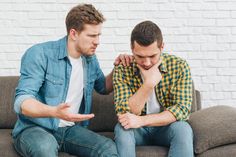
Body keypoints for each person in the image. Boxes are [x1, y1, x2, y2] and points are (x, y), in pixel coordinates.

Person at [12, 4, 132, 157]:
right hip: (35, 128)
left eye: (98, 35)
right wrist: (54, 112)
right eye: (92, 36)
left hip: (70, 130)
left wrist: (118, 68)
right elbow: (22, 101)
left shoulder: (89, 59)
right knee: (44, 147)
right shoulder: (39, 54)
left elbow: (103, 87)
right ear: (73, 33)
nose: (97, 41)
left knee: (107, 147)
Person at [113, 20, 194, 157]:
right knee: (122, 128)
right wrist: (148, 84)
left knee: (183, 129)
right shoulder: (123, 68)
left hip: (166, 129)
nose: (146, 63)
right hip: (137, 131)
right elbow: (124, 111)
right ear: (132, 49)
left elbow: (182, 109)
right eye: (140, 56)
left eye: (152, 56)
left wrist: (142, 120)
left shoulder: (179, 66)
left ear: (162, 47)